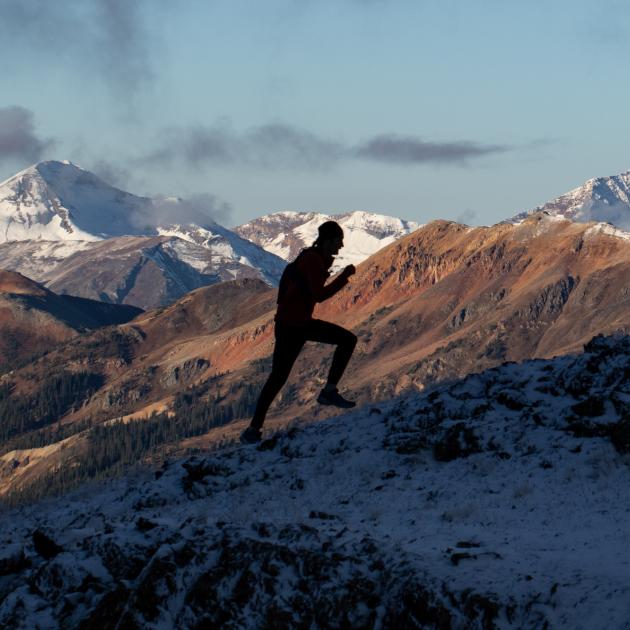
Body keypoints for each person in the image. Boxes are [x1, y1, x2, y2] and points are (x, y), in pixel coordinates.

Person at [240, 220, 358, 444]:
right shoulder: (312, 260)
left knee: (278, 378)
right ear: (328, 240)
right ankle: (328, 391)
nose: (340, 246)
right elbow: (319, 296)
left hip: (292, 324)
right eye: (338, 241)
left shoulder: (312, 258)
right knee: (347, 340)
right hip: (295, 326)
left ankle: (253, 430)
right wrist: (344, 277)